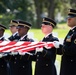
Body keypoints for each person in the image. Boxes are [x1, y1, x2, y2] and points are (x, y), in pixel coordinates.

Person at [54, 9, 76, 75]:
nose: (68, 19)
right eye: (68, 18)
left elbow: (72, 50)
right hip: (67, 65)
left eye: (71, 18)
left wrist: (60, 46)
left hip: (72, 67)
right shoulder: (71, 31)